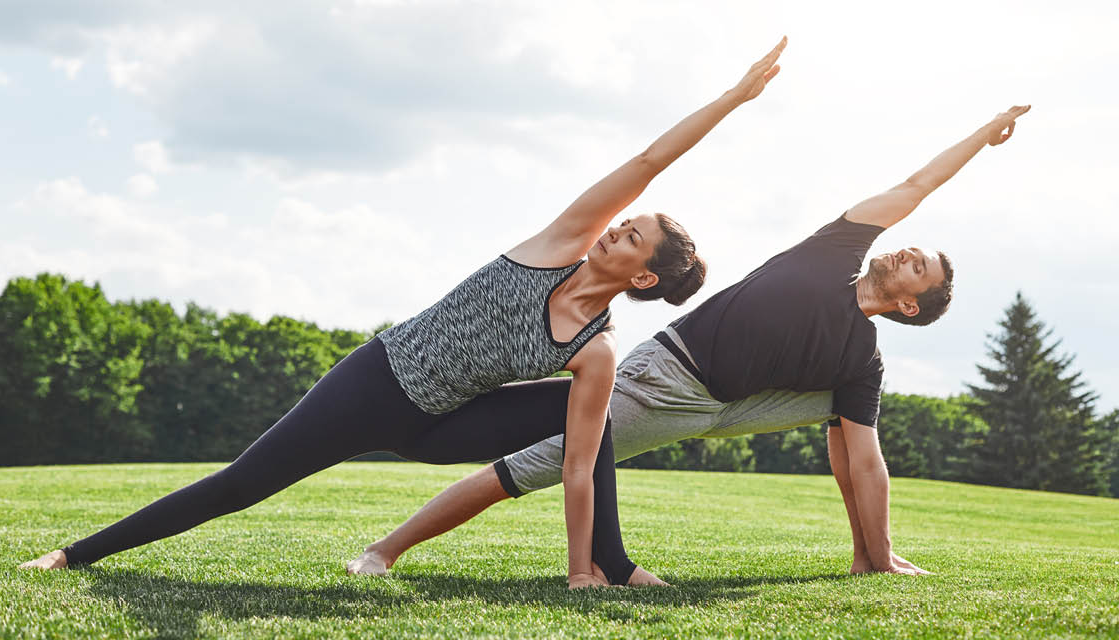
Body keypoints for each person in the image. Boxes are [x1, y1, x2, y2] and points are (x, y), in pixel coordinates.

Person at [20, 38, 792, 589]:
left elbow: (581, 465)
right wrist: (731, 97)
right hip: (377, 383)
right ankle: (74, 556)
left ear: (645, 276)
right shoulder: (561, 241)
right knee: (241, 485)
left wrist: (576, 573)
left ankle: (607, 568)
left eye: (634, 236)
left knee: (593, 427)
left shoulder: (596, 350)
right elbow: (650, 160)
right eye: (625, 220)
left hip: (439, 425)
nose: (618, 228)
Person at [348, 105, 1032, 583]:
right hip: (669, 382)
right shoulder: (835, 251)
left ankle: (869, 556)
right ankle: (386, 549)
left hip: (741, 404)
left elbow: (866, 460)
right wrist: (980, 135)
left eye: (919, 266)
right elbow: (915, 186)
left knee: (851, 419)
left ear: (910, 303)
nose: (906, 251)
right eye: (912, 248)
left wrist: (878, 548)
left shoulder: (863, 358)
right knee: (535, 466)